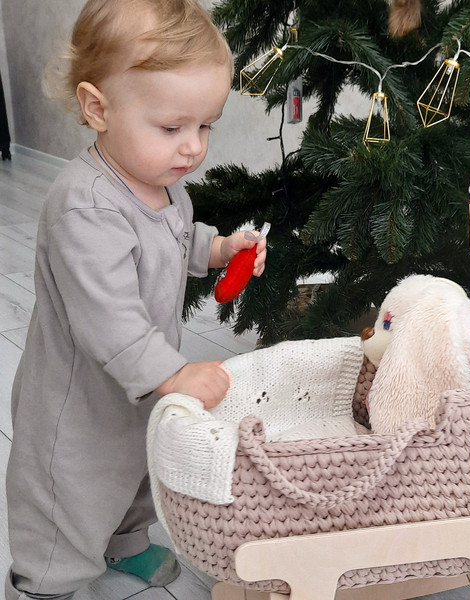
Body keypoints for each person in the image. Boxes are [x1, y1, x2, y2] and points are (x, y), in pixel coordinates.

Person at [4, 1, 266, 598]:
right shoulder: (85, 208)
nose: (193, 147)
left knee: (138, 465)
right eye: (172, 127)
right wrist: (174, 372)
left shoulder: (163, 188)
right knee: (70, 487)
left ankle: (127, 543)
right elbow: (109, 320)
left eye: (205, 125)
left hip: (142, 381)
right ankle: (48, 576)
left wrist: (222, 249)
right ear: (98, 109)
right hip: (78, 397)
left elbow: (175, 242)